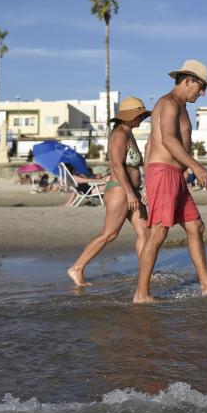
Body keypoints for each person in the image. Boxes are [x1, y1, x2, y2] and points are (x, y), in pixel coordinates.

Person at [134, 60, 207, 303]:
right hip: (164, 174)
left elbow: (150, 143)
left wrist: (179, 172)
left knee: (195, 227)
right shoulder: (168, 104)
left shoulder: (180, 106)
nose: (202, 93)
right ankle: (141, 294)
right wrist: (195, 166)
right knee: (158, 233)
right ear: (188, 80)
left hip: (173, 177)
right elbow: (168, 141)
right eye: (201, 87)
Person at [68, 97, 152, 287]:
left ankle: (145, 272)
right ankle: (77, 268)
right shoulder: (119, 134)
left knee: (145, 232)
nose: (142, 119)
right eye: (139, 115)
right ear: (129, 116)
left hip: (131, 191)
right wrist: (130, 193)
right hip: (121, 191)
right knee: (109, 234)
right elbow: (116, 165)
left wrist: (140, 189)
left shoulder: (129, 133)